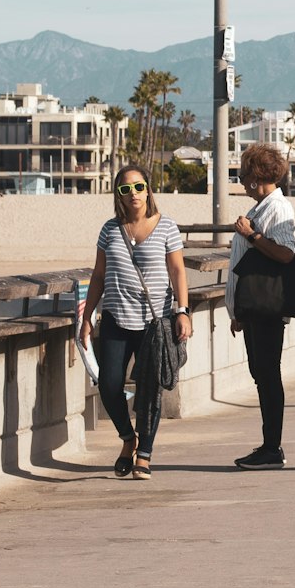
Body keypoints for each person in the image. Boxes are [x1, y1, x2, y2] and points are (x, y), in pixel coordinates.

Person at [81, 165, 192, 480]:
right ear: (117, 194)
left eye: (138, 187)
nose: (133, 194)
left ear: (148, 190)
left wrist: (182, 310)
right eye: (125, 189)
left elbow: (178, 271)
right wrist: (87, 317)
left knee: (148, 390)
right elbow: (99, 275)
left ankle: (144, 454)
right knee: (109, 384)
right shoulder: (109, 229)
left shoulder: (167, 227)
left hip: (154, 323)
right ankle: (128, 439)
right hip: (115, 318)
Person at [227, 144, 295, 470]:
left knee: (268, 376)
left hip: (267, 307)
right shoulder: (262, 207)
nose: (241, 182)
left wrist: (251, 235)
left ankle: (272, 447)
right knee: (262, 375)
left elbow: (284, 253)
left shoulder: (278, 209)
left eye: (243, 175)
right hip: (254, 309)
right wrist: (238, 311)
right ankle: (270, 445)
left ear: (257, 177)